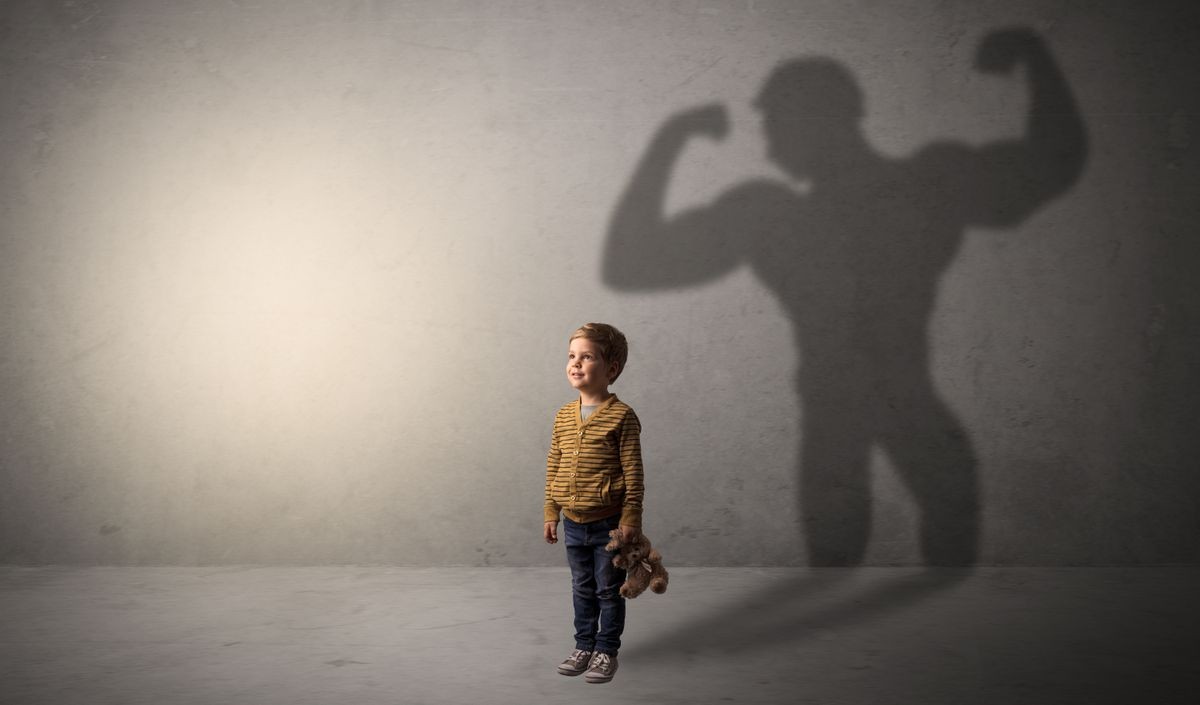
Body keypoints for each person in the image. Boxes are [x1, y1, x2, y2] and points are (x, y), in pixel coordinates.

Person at [604, 28, 1086, 566]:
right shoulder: (876, 196)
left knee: (895, 561)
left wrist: (674, 137)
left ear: (820, 120)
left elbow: (1048, 164)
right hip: (875, 410)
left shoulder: (800, 212)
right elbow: (630, 263)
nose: (766, 139)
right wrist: (671, 135)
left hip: (853, 410)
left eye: (776, 121)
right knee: (890, 557)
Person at [543, 322, 644, 684]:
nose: (576, 363)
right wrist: (551, 512)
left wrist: (631, 518)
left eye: (587, 357)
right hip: (572, 522)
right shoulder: (562, 417)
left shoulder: (622, 417)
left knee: (607, 588)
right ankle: (583, 644)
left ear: (611, 369)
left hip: (609, 524)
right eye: (572, 356)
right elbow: (553, 465)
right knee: (581, 586)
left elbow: (634, 473)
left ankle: (606, 650)